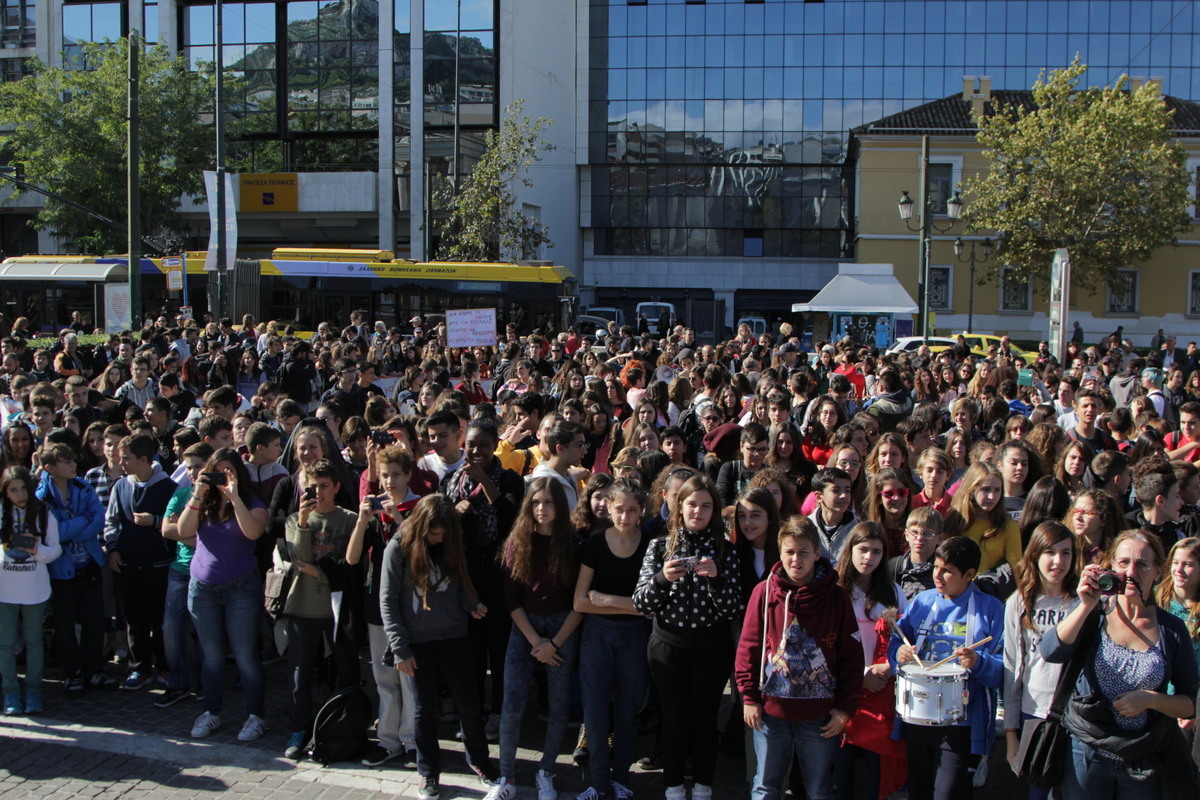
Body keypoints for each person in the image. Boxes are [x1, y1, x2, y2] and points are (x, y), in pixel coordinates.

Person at [1042, 529, 1200, 799]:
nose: (1131, 572)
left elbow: (1189, 704)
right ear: (1111, 566)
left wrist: (1149, 699)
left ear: (1158, 572)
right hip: (1086, 751)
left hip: (1143, 756)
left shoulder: (1171, 629)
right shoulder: (1094, 612)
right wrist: (1084, 606)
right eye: (1123, 563)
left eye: (1141, 564)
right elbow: (1051, 651)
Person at [380, 494, 501, 800]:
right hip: (417, 640)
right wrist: (400, 648)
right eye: (434, 533)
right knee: (423, 711)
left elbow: (461, 583)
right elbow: (388, 602)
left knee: (469, 703)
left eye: (445, 534)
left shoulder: (451, 543)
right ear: (422, 527)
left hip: (455, 635)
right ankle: (428, 772)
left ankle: (480, 761)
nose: (439, 539)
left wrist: (472, 605)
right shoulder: (399, 547)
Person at [735, 516, 864, 800]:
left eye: (803, 552)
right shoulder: (764, 592)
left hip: (819, 715)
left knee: (819, 788)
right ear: (779, 553)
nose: (796, 559)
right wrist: (749, 697)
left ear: (817, 554)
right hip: (770, 712)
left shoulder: (837, 597)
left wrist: (845, 708)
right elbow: (749, 647)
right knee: (765, 786)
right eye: (789, 552)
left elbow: (852, 656)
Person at [633, 474, 744, 800]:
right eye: (691, 504)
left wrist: (716, 579)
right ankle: (673, 786)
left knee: (704, 720)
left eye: (706, 506)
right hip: (668, 647)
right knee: (672, 719)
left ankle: (703, 786)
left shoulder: (726, 550)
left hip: (710, 649)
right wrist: (662, 579)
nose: (698, 511)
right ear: (679, 508)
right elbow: (641, 603)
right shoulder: (658, 546)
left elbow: (732, 608)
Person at [888, 536, 1005, 800]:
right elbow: (897, 642)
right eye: (936, 566)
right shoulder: (923, 602)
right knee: (918, 791)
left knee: (949, 793)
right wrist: (900, 654)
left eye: (947, 571)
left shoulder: (991, 609)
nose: (937, 575)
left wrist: (978, 662)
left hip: (962, 723)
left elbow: (1004, 670)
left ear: (970, 575)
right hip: (918, 716)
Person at [486, 478, 581, 800]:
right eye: (537, 502)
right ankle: (506, 778)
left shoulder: (572, 544)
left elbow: (578, 602)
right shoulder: (518, 541)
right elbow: (510, 600)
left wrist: (552, 645)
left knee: (558, 706)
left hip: (562, 627)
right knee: (511, 705)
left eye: (549, 502)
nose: (542, 509)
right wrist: (534, 643)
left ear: (560, 506)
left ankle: (547, 771)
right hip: (523, 626)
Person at [442, 419, 526, 741]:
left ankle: (500, 714)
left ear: (495, 446)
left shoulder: (510, 480)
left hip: (499, 574)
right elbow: (440, 526)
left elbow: (509, 518)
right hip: (466, 576)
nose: (476, 451)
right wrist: (454, 512)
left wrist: (484, 483)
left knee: (500, 649)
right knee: (471, 650)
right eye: (471, 445)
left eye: (484, 445)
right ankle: (472, 713)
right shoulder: (451, 481)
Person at [177, 447, 269, 742]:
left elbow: (253, 532)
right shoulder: (203, 501)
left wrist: (234, 496)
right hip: (202, 590)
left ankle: (255, 716)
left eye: (228, 472)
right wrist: (198, 491)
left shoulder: (251, 501)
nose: (222, 478)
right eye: (217, 472)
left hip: (240, 589)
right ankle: (211, 711)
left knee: (245, 657)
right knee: (212, 656)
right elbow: (182, 529)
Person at [573, 478, 651, 800]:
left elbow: (651, 608)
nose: (624, 516)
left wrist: (605, 600)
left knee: (627, 710)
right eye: (619, 509)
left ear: (641, 511)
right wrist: (630, 604)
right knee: (594, 710)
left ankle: (621, 779)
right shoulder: (594, 544)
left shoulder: (650, 545)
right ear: (609, 508)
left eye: (632, 510)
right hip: (597, 636)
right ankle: (598, 782)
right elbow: (579, 601)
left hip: (634, 637)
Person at [281, 458, 360, 760]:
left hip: (338, 609)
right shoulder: (295, 520)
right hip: (303, 605)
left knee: (346, 668)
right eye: (312, 487)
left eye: (324, 486)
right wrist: (302, 523)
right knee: (299, 672)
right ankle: (299, 729)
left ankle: (346, 724)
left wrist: (322, 573)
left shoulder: (349, 519)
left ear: (336, 487)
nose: (318, 492)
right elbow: (300, 561)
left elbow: (350, 567)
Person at [346, 445, 420, 768]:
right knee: (383, 675)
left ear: (408, 475)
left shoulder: (419, 506)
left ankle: (414, 740)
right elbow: (351, 558)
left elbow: (419, 553)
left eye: (395, 475)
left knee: (409, 675)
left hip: (409, 602)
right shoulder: (372, 507)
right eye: (384, 475)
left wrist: (399, 516)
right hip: (376, 600)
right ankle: (388, 739)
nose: (389, 482)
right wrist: (363, 521)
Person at [1002, 521, 1080, 800]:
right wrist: (1011, 734)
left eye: (1066, 553)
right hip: (1033, 714)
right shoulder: (1018, 602)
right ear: (1034, 555)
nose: (1058, 561)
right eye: (1050, 552)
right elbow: (1011, 668)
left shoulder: (1083, 602)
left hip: (1075, 715)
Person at [835, 522, 908, 800]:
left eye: (876, 552)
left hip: (881, 687)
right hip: (844, 685)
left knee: (877, 759)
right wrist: (861, 674)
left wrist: (890, 668)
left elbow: (906, 641)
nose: (869, 558)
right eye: (863, 549)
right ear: (850, 550)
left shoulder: (893, 591)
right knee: (844, 759)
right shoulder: (835, 588)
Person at [102, 433, 178, 690]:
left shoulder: (169, 488)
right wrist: (112, 548)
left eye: (126, 459)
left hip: (159, 567)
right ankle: (140, 667)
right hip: (128, 566)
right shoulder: (121, 486)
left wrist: (156, 521)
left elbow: (179, 525)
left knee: (160, 621)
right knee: (134, 620)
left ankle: (166, 666)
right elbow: (111, 521)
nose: (120, 463)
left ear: (144, 459)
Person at [36, 443, 113, 693]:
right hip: (61, 570)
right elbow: (52, 532)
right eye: (66, 462)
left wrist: (72, 528)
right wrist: (81, 522)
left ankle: (93, 669)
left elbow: (98, 519)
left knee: (94, 622)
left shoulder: (82, 486)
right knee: (65, 624)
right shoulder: (42, 497)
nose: (73, 466)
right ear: (50, 468)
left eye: (73, 461)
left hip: (89, 563)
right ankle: (73, 671)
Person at [0, 466, 61, 715]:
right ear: (5, 492)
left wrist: (36, 550)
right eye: (13, 490)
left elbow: (55, 550)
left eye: (23, 487)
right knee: (5, 643)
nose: (20, 494)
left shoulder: (44, 512)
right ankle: (10, 692)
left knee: (35, 641)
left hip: (34, 590)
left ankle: (34, 690)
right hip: (5, 591)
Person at [891, 507, 945, 601]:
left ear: (940, 538)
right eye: (915, 532)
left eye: (927, 534)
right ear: (907, 535)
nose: (919, 538)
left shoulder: (943, 571)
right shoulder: (894, 566)